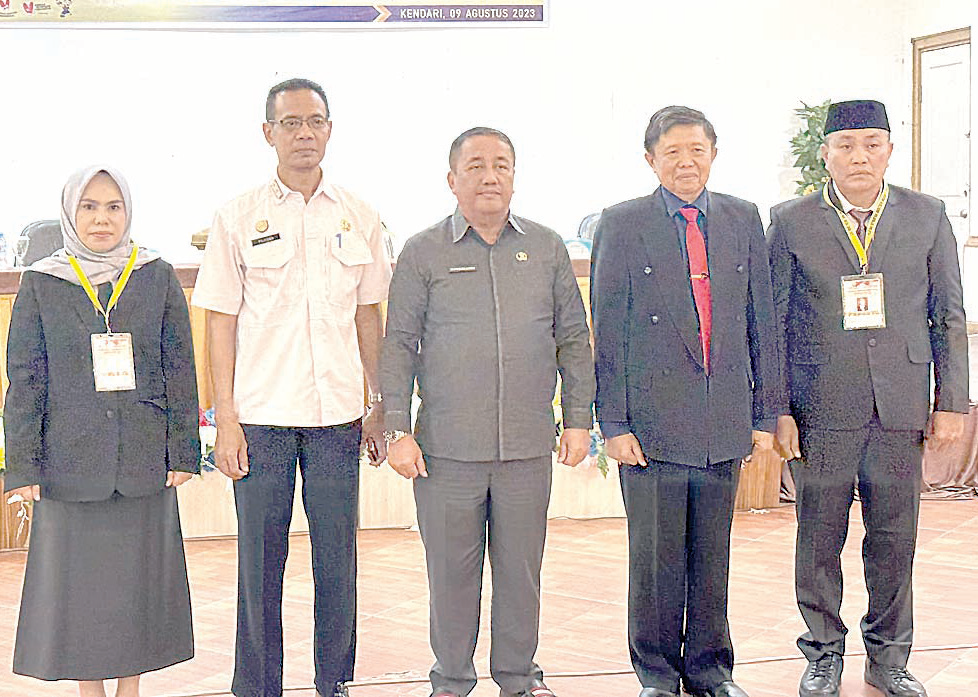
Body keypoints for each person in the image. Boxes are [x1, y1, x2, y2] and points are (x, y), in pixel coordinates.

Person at [191, 78, 391, 697]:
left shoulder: (360, 214)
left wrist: (377, 405)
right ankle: (256, 687)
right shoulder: (236, 216)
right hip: (261, 419)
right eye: (291, 123)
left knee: (339, 563)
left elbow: (369, 317)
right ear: (268, 133)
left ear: (330, 129)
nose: (304, 133)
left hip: (338, 419)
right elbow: (219, 321)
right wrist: (224, 418)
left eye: (315, 121)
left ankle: (337, 683)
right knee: (260, 566)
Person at [380, 127, 595, 697]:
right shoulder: (423, 252)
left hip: (527, 448)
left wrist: (577, 418)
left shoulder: (547, 249)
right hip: (447, 452)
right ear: (452, 180)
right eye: (475, 165)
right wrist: (396, 430)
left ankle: (519, 678)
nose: (490, 175)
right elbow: (397, 344)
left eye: (501, 164)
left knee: (521, 577)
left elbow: (574, 340)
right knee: (452, 578)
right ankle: (450, 679)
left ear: (515, 176)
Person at [768, 99, 968, 697]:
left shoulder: (926, 215)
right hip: (819, 407)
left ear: (889, 150)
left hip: (900, 405)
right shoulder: (791, 219)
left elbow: (948, 314)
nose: (859, 156)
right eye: (846, 145)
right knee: (819, 537)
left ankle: (888, 658)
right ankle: (823, 652)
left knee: (894, 539)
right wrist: (777, 407)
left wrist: (952, 400)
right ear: (825, 153)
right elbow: (773, 320)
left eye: (872, 144)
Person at [590, 106, 781, 697]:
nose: (686, 162)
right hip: (650, 425)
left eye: (697, 150)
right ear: (651, 160)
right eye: (672, 152)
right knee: (655, 561)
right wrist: (613, 421)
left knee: (711, 557)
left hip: (721, 419)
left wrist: (763, 413)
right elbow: (609, 328)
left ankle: (710, 670)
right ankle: (655, 674)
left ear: (714, 154)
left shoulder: (742, 218)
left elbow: (761, 321)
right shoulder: (622, 224)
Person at [4, 165, 200, 697]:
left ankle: (129, 688)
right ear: (70, 213)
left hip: (142, 458)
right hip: (68, 463)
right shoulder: (43, 282)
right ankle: (90, 690)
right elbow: (24, 377)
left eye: (113, 207)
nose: (101, 219)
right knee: (81, 592)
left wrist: (184, 450)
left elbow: (180, 364)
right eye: (89, 207)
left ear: (128, 212)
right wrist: (20, 467)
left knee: (136, 586)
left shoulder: (155, 273)